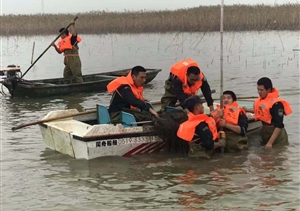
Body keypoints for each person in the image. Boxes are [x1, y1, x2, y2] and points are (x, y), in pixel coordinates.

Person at [244, 77, 292, 148]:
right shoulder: (261, 100)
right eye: (258, 89)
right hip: (265, 130)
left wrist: (270, 143)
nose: (259, 92)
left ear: (268, 90)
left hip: (276, 133)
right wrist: (247, 110)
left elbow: (279, 125)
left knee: (277, 153)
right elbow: (263, 112)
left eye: (261, 90)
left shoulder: (277, 105)